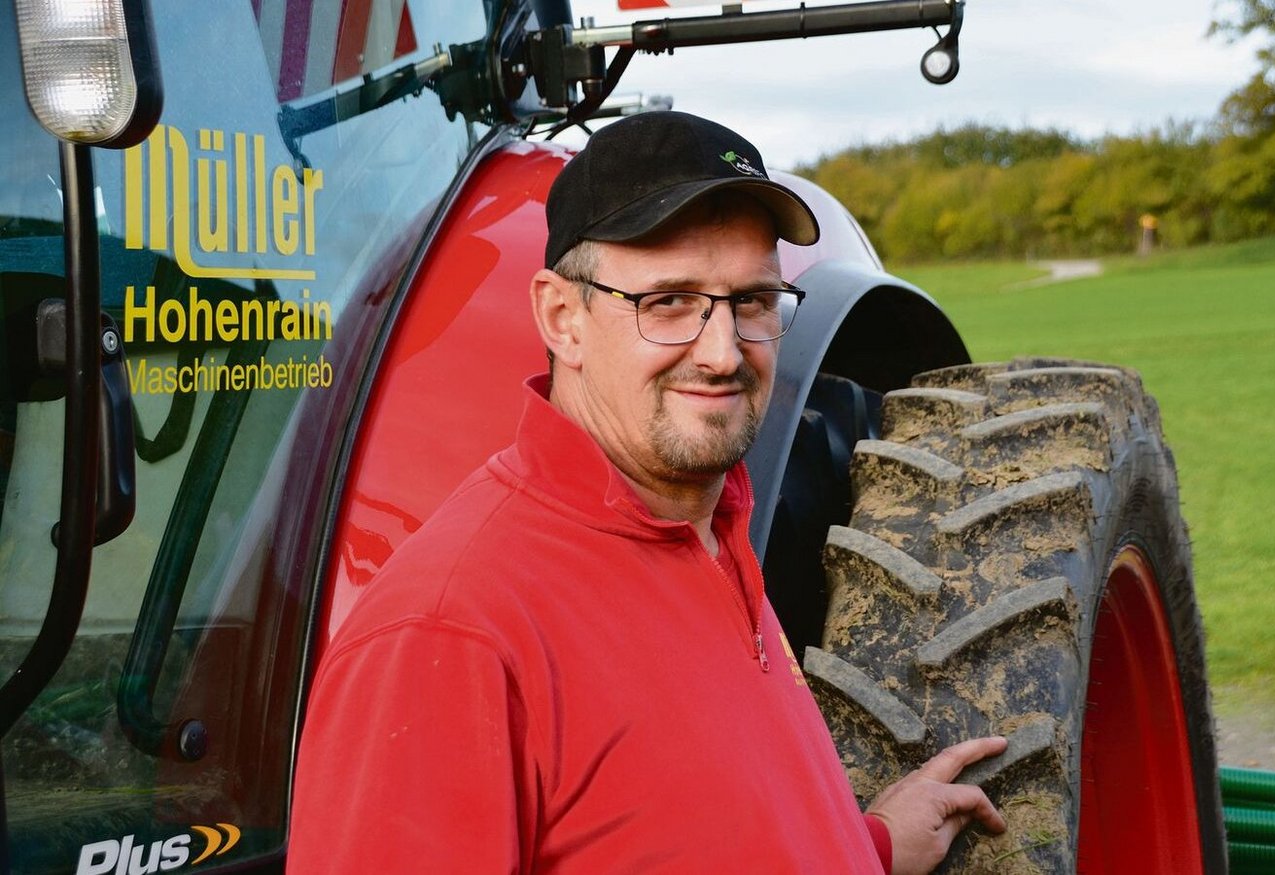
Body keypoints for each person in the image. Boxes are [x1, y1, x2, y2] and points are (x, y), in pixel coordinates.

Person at [288, 111, 1007, 874]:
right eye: (668, 302)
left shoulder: (710, 527)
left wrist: (865, 845)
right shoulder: (448, 635)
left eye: (754, 301)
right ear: (561, 316)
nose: (724, 350)